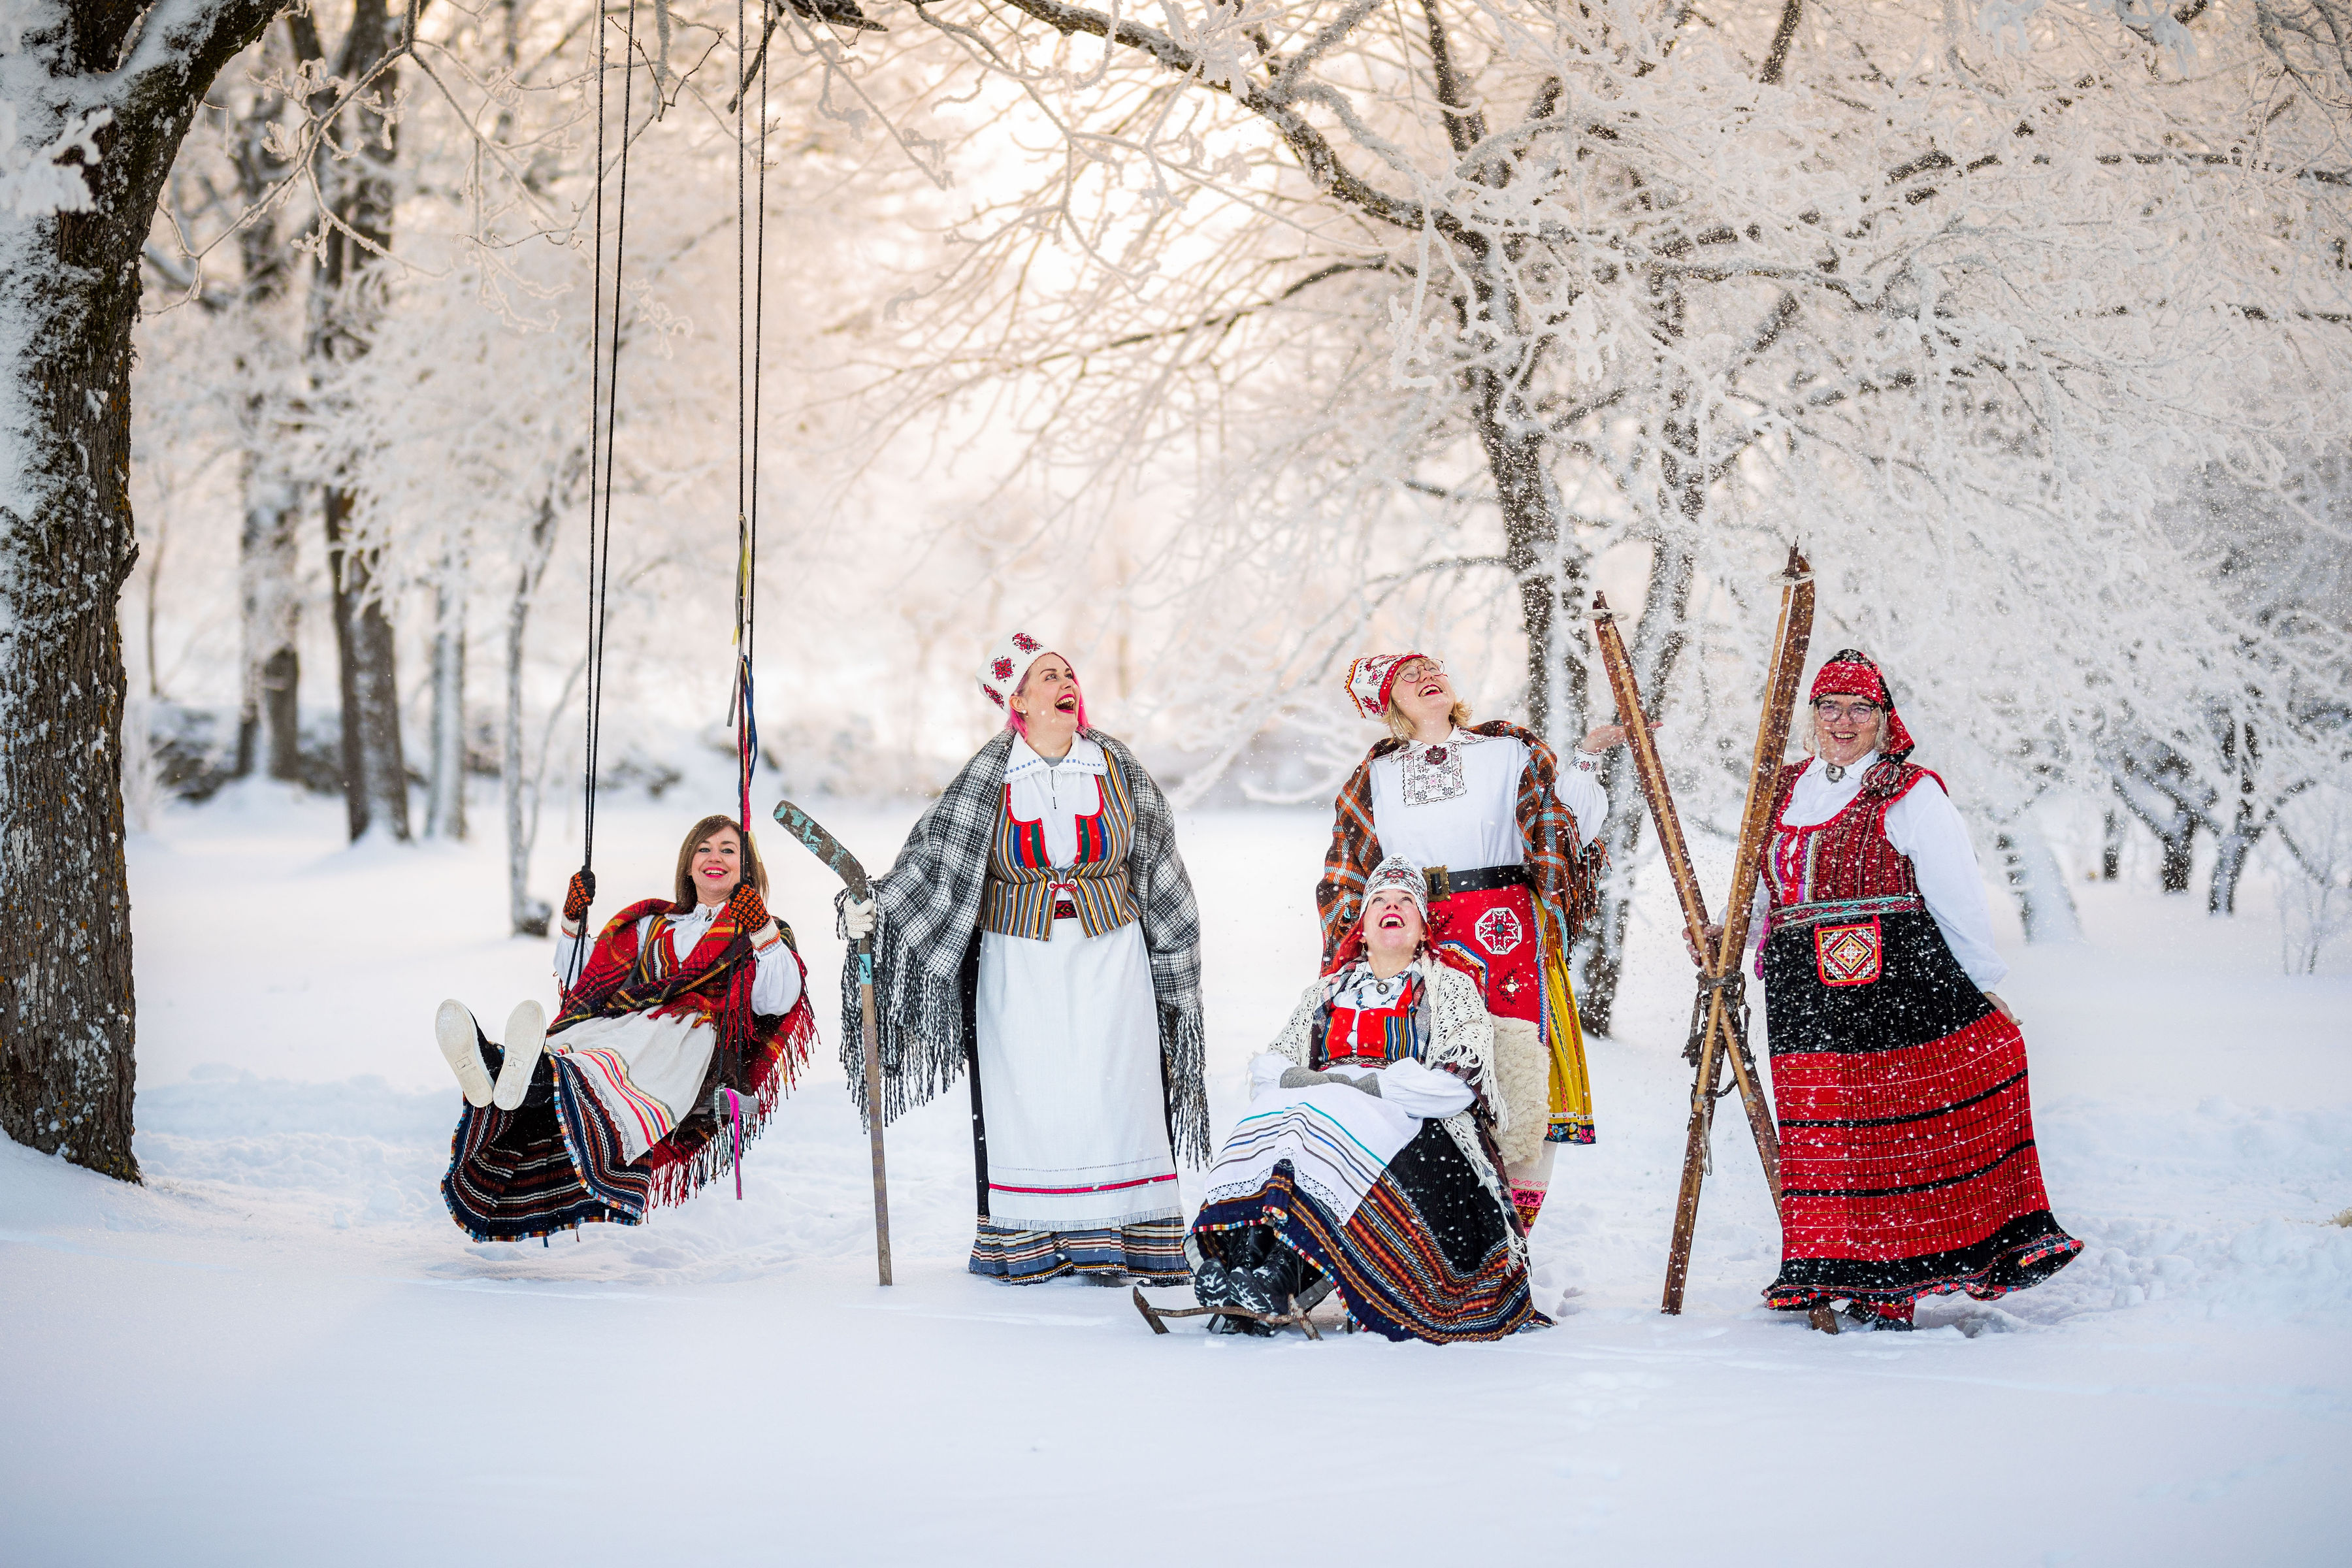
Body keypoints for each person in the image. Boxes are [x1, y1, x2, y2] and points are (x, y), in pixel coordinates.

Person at [1712, 650, 2080, 1330]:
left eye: (1860, 709)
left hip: (1897, 985)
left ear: (1884, 719)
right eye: (1830, 707)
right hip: (1803, 993)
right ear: (1811, 716)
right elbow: (1765, 888)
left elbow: (1956, 894)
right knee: (1826, 1138)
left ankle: (1893, 1287)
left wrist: (1983, 984)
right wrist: (1728, 939)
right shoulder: (1780, 787)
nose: (1844, 721)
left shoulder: (1910, 791)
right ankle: (1834, 1269)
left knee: (1894, 1138)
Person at [840, 632, 1206, 1285]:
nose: (1066, 683)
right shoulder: (989, 777)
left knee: (1115, 1093)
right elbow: (932, 865)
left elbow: (1159, 864)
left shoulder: (1117, 767)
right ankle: (1037, 1245)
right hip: (1020, 963)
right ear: (1018, 700)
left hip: (1111, 958)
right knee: (1033, 1100)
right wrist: (874, 908)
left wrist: (1174, 954)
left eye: (1068, 672)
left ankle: (1122, 1241)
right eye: (1048, 677)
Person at [1318, 651, 1630, 1230]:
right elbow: (1349, 870)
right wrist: (1353, 954)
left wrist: (1585, 760)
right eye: (1406, 678)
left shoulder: (1508, 749)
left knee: (1520, 1077)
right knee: (1428, 1075)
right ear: (1388, 705)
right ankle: (1436, 1239)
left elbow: (1565, 830)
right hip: (1420, 938)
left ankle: (1510, 1243)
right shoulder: (1375, 776)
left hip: (1506, 930)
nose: (1426, 678)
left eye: (1430, 667)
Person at [1189, 857, 1540, 1341]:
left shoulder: (1451, 989)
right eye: (1379, 900)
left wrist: (1366, 1089)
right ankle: (1246, 1265)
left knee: (1317, 1119)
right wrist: (1318, 1086)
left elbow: (1457, 1085)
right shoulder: (1326, 992)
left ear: (1422, 929)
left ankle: (1280, 1275)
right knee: (1277, 1117)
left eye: (1404, 902)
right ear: (1363, 927)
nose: (1390, 907)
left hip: (1413, 1129)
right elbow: (1268, 1070)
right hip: (1325, 1116)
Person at [438, 815, 815, 1241]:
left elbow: (776, 1000)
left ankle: (509, 1070)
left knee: (598, 1071)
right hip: (621, 1023)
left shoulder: (762, 932)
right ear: (688, 864)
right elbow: (589, 980)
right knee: (576, 1054)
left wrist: (762, 930)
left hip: (682, 1044)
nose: (715, 858)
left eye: (729, 850)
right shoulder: (653, 925)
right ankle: (502, 1071)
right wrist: (573, 923)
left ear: (748, 868)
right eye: (704, 849)